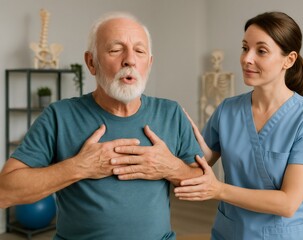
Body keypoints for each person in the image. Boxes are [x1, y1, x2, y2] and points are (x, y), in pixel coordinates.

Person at [0, 12, 203, 240]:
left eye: (139, 51)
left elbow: (203, 184)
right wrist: (79, 167)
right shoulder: (59, 116)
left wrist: (171, 168)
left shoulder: (171, 113)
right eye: (116, 50)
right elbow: (4, 192)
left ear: (149, 63)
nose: (129, 60)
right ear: (91, 62)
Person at [175, 11, 303, 240]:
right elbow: (197, 167)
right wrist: (180, 145)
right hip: (230, 232)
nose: (247, 58)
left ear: (289, 60)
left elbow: (288, 203)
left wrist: (218, 189)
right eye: (244, 48)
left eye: (261, 51)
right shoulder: (227, 110)